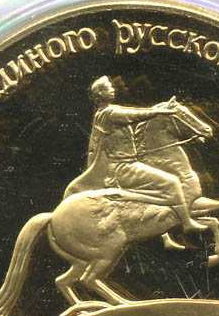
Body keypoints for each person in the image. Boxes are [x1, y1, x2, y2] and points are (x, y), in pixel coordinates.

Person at [86, 76, 206, 232]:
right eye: (108, 88)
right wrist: (158, 112)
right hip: (123, 168)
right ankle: (187, 223)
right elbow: (133, 115)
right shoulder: (109, 114)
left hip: (126, 165)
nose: (113, 89)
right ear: (99, 95)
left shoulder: (108, 111)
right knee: (173, 182)